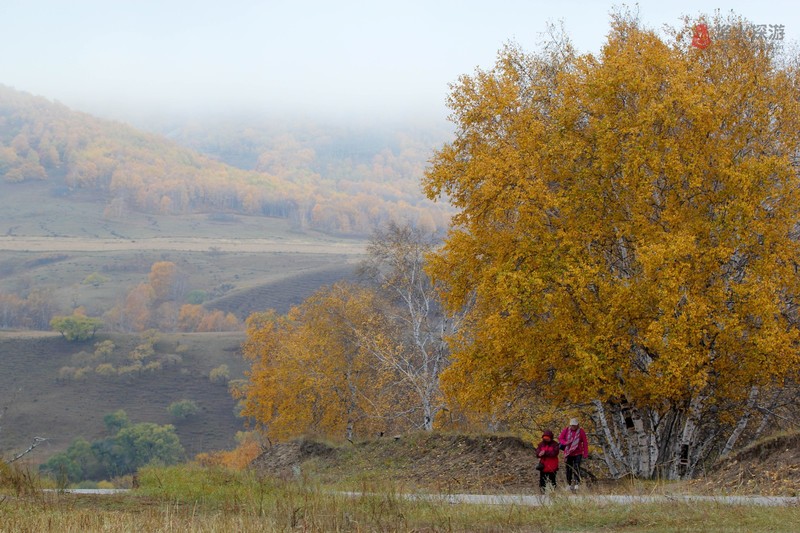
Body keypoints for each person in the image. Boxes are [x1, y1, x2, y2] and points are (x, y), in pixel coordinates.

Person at [559, 418, 589, 490]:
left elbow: (585, 443)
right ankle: (568, 484)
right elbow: (560, 438)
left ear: (577, 425)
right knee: (568, 468)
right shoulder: (566, 430)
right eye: (572, 425)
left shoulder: (581, 431)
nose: (573, 426)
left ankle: (577, 484)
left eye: (575, 425)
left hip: (578, 452)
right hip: (568, 453)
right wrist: (566, 442)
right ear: (570, 425)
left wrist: (585, 453)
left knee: (577, 467)